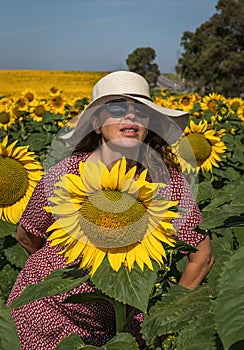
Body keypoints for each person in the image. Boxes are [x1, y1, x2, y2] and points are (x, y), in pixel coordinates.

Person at [7, 71, 214, 350]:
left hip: (118, 330)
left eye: (140, 110)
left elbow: (202, 256)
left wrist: (161, 317)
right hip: (43, 313)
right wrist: (67, 266)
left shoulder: (166, 181)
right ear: (96, 124)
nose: (130, 117)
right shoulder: (65, 175)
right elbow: (27, 236)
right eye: (116, 108)